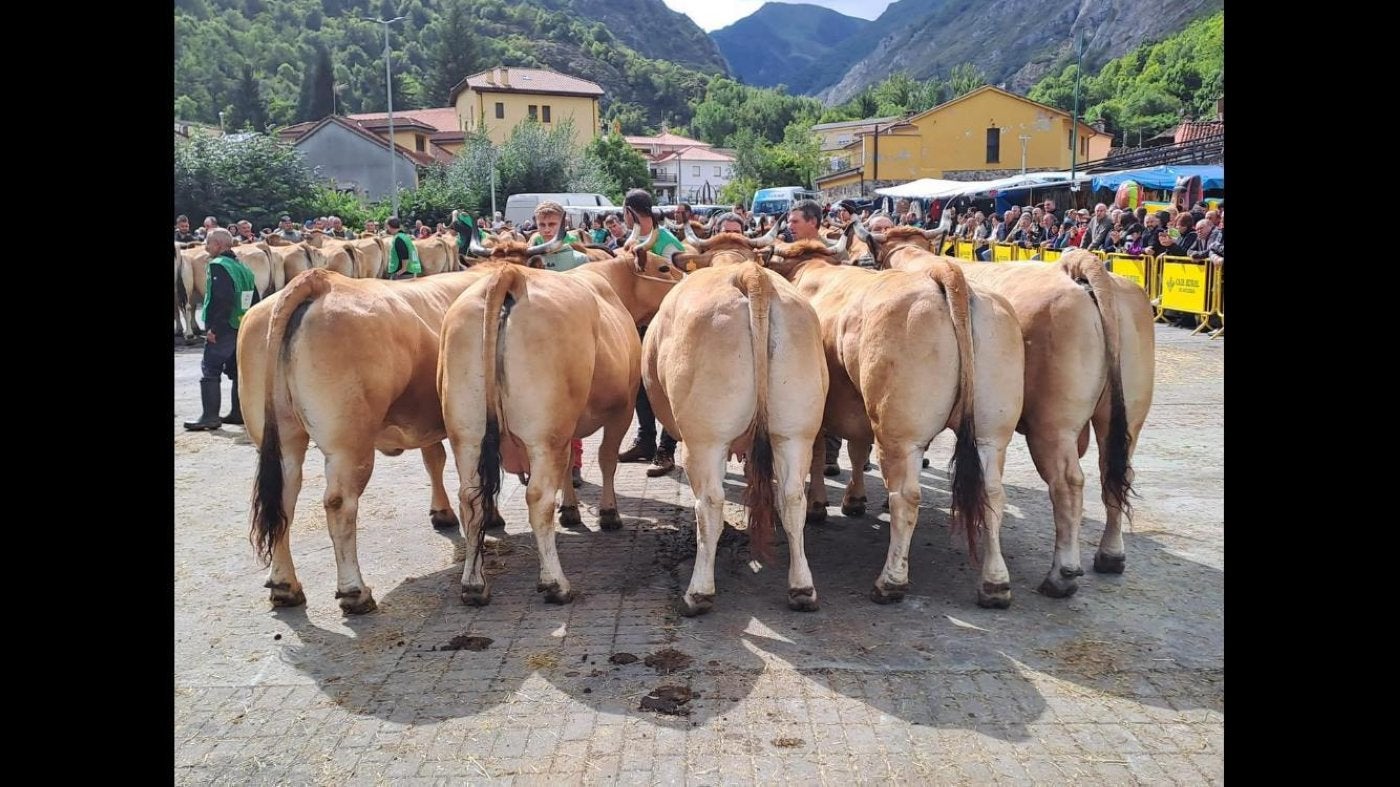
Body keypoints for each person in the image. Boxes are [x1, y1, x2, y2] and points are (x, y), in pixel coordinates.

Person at [618, 189, 685, 477]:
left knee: (664, 384)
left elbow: (680, 278)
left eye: (624, 211)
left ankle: (666, 449)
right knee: (640, 384)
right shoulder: (629, 240)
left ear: (630, 211)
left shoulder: (668, 241)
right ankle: (645, 439)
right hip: (638, 322)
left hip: (664, 321)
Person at [184, 229, 261, 431]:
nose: (206, 247)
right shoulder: (243, 267)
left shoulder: (218, 266)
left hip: (224, 327)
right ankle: (238, 413)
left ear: (218, 244)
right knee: (236, 371)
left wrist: (214, 328)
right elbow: (256, 298)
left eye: (208, 243)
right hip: (241, 325)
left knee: (210, 368)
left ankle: (209, 416)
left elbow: (222, 299)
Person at [527, 201, 591, 272]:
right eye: (542, 225)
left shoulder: (579, 259)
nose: (547, 230)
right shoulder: (529, 260)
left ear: (563, 224)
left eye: (552, 224)